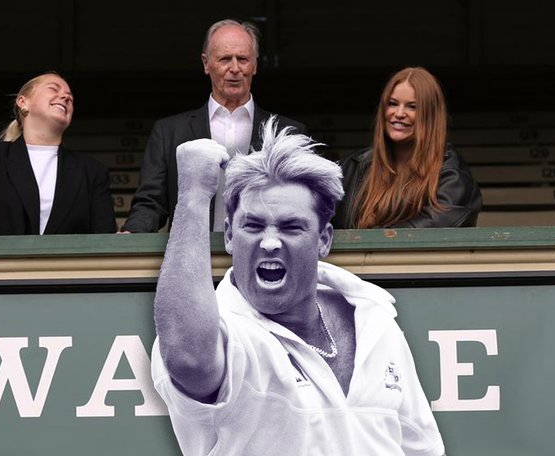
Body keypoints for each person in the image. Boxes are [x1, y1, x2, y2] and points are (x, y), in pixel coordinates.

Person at [151, 117, 446, 455]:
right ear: (230, 235)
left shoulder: (375, 321)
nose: (270, 242)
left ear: (323, 239)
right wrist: (193, 194)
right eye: (253, 226)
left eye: (291, 227)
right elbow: (189, 358)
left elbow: (421, 448)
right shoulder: (226, 334)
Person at [120, 19, 306, 233]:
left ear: (254, 65)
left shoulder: (289, 133)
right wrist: (132, 232)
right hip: (193, 259)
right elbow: (150, 203)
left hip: (266, 256)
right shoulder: (168, 133)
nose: (235, 68)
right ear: (206, 63)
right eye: (225, 59)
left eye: (243, 59)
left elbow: (303, 205)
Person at [0, 72, 116, 235]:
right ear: (23, 102)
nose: (65, 97)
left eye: (70, 97)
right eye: (54, 89)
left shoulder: (92, 172)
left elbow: (104, 234)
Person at [332, 67, 482, 229]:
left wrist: (379, 238)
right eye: (393, 104)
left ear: (430, 115)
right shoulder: (354, 166)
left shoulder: (451, 173)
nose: (399, 113)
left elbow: (440, 224)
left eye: (412, 106)